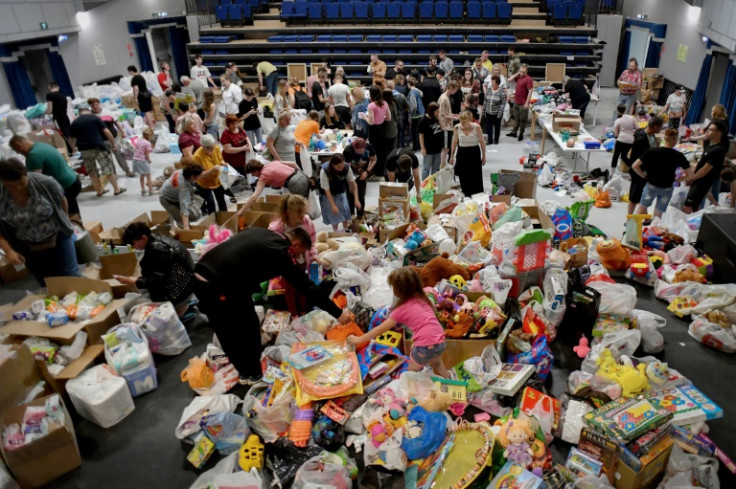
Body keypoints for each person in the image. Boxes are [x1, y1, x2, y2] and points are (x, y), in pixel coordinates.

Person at [194, 226, 352, 383]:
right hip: (221, 285)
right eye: (301, 253)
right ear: (295, 244)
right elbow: (308, 288)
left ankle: (243, 372)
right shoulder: (282, 253)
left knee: (225, 328)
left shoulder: (266, 234)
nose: (299, 258)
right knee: (246, 326)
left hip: (200, 274)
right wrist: (338, 313)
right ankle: (253, 373)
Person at [347, 267, 449, 377]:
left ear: (397, 290)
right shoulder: (423, 297)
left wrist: (359, 339)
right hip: (440, 340)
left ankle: (412, 390)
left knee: (411, 372)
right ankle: (449, 379)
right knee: (437, 363)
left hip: (424, 345)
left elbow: (380, 329)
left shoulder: (401, 309)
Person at [0, 159, 79, 285]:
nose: (18, 188)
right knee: (47, 282)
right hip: (27, 246)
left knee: (71, 277)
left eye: (21, 182)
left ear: (25, 174)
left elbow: (62, 201)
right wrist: (9, 251)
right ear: (3, 182)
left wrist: (64, 221)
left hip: (58, 237)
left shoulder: (45, 183)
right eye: (12, 185)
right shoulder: (2, 194)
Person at [119, 222, 195, 317]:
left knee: (128, 309)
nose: (133, 247)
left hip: (178, 295)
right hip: (186, 287)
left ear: (143, 238)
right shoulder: (157, 239)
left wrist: (134, 280)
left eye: (133, 243)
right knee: (142, 292)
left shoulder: (158, 250)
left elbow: (157, 281)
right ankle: (181, 308)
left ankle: (178, 310)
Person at [9, 135, 81, 219]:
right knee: (73, 212)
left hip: (65, 187)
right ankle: (78, 226)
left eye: (16, 151)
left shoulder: (33, 155)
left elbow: (34, 182)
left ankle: (74, 228)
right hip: (73, 180)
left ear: (19, 146)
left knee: (67, 217)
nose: (18, 153)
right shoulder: (41, 145)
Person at [631, 129, 691, 218]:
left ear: (664, 139)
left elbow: (634, 166)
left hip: (651, 185)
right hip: (667, 187)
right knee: (658, 214)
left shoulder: (653, 151)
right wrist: (677, 179)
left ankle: (632, 230)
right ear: (675, 139)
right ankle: (654, 230)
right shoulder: (679, 155)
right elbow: (690, 175)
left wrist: (643, 175)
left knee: (641, 207)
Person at [70, 106, 126, 197]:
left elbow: (71, 138)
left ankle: (99, 191)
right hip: (98, 147)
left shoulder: (74, 122)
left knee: (91, 171)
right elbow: (107, 132)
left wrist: (73, 149)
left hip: (84, 150)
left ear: (79, 113)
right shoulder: (95, 118)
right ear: (89, 111)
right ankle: (117, 189)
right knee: (107, 168)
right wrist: (113, 143)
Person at [683, 120, 729, 213]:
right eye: (708, 129)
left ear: (719, 133)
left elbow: (705, 169)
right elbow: (702, 163)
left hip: (702, 182)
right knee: (696, 207)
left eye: (711, 130)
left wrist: (692, 178)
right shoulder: (709, 144)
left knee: (687, 207)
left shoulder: (718, 149)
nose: (707, 131)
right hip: (698, 180)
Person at [239, 159, 309, 215]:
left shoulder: (264, 175)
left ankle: (300, 228)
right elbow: (293, 163)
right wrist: (302, 175)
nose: (253, 175)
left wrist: (241, 212)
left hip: (295, 183)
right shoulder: (272, 163)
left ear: (256, 170)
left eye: (252, 173)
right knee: (301, 205)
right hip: (301, 176)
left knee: (296, 210)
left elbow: (254, 197)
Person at [627, 116, 664, 214]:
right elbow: (636, 159)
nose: (661, 130)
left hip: (645, 171)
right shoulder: (640, 139)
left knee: (643, 194)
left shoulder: (649, 134)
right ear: (655, 126)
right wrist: (643, 174)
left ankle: (645, 217)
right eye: (660, 127)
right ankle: (629, 218)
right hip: (639, 172)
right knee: (634, 197)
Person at [89, 97, 135, 177]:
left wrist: (122, 131)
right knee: (108, 159)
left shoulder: (107, 112)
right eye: (93, 105)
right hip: (101, 141)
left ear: (99, 104)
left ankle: (127, 170)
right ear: (90, 106)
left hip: (114, 138)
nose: (95, 107)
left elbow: (116, 122)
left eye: (96, 105)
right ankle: (113, 174)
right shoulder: (90, 116)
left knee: (120, 155)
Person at [268, 194, 318, 266]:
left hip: (304, 261)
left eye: (303, 213)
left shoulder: (307, 222)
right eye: (298, 213)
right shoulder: (276, 229)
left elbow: (312, 242)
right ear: (288, 212)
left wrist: (313, 256)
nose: (302, 217)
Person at [319, 154, 360, 231]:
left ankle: (345, 229)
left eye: (342, 166)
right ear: (333, 165)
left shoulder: (346, 167)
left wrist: (356, 199)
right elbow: (327, 190)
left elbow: (353, 183)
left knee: (345, 212)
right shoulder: (324, 171)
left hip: (340, 191)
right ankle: (336, 231)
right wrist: (333, 205)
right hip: (327, 194)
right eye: (338, 167)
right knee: (334, 215)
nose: (341, 168)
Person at [450, 110, 486, 197]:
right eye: (461, 122)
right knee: (463, 174)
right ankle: (466, 193)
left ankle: (477, 194)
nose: (462, 124)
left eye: (464, 122)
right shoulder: (457, 128)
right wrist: (451, 156)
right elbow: (454, 142)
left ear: (469, 120)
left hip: (474, 152)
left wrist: (484, 156)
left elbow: (482, 142)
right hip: (462, 153)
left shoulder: (476, 127)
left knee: (475, 174)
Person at [360, 86, 392, 178]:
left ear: (371, 95)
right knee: (382, 151)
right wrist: (381, 117)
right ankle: (382, 170)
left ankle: (376, 171)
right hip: (382, 128)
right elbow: (389, 118)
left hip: (374, 130)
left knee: (374, 151)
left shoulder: (371, 105)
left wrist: (364, 117)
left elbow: (371, 122)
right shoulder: (385, 103)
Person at [159, 162, 203, 229]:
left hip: (172, 191)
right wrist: (186, 227)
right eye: (199, 176)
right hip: (166, 199)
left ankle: (175, 216)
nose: (200, 177)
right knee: (190, 218)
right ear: (192, 176)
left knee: (197, 213)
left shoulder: (182, 171)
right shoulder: (183, 188)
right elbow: (184, 208)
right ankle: (180, 225)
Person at [192, 134, 227, 215]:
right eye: (208, 148)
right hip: (204, 183)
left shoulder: (216, 148)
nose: (211, 150)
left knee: (221, 200)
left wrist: (223, 164)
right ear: (203, 146)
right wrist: (212, 170)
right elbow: (199, 175)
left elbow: (220, 159)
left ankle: (225, 217)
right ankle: (212, 222)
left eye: (212, 147)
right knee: (210, 203)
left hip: (217, 180)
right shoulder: (197, 156)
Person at [342, 138, 376, 217]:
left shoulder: (369, 147)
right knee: (350, 197)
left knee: (361, 196)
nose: (360, 152)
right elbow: (347, 168)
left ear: (365, 147)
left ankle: (360, 216)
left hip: (362, 175)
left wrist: (367, 172)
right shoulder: (348, 151)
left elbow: (374, 160)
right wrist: (352, 181)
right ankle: (351, 216)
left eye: (361, 150)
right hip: (349, 175)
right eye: (357, 151)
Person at [507, 64, 534, 141]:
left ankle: (521, 133)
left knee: (522, 120)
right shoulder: (519, 77)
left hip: (523, 103)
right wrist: (517, 73)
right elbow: (509, 79)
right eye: (521, 72)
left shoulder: (528, 79)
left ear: (527, 71)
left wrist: (527, 102)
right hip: (517, 102)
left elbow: (530, 91)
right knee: (516, 118)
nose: (522, 73)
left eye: (523, 72)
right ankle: (514, 132)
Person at [45, 82, 73, 156]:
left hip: (58, 118)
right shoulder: (63, 96)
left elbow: (49, 110)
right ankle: (74, 149)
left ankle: (71, 151)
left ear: (49, 87)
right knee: (69, 134)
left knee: (64, 135)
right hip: (66, 117)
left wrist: (45, 113)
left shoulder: (50, 95)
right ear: (58, 87)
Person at [418, 102, 444, 179]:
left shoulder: (436, 118)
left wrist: (439, 119)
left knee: (436, 169)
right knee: (426, 168)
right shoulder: (423, 121)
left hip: (437, 148)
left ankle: (434, 184)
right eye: (437, 111)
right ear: (431, 111)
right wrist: (423, 148)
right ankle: (424, 185)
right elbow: (421, 135)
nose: (438, 113)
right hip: (428, 149)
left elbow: (442, 129)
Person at [128, 65, 155, 130]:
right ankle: (148, 126)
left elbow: (136, 88)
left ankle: (151, 127)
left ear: (131, 71)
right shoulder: (141, 76)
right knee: (149, 111)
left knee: (146, 112)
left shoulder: (134, 78)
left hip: (142, 96)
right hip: (147, 95)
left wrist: (136, 98)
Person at [438, 81, 458, 165]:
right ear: (451, 88)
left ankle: (443, 164)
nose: (456, 91)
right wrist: (452, 117)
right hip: (445, 126)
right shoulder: (443, 98)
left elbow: (445, 112)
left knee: (448, 147)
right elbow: (441, 114)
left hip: (448, 125)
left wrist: (452, 115)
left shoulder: (446, 97)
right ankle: (442, 165)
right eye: (455, 89)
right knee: (445, 148)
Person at [611, 104, 637, 169]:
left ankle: (612, 173)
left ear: (617, 110)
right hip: (630, 141)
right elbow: (638, 128)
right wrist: (632, 133)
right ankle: (633, 168)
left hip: (621, 140)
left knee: (616, 156)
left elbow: (616, 134)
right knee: (624, 156)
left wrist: (616, 137)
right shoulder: (631, 118)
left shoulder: (618, 120)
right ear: (625, 110)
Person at [483, 75, 507, 145]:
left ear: (497, 83)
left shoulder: (502, 92)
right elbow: (485, 101)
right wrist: (483, 110)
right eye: (491, 82)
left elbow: (503, 104)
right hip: (488, 113)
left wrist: (499, 113)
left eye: (493, 82)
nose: (492, 83)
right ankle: (490, 140)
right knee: (488, 128)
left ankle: (496, 139)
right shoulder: (489, 90)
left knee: (497, 128)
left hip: (497, 114)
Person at [133, 128, 155, 196]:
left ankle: (143, 189)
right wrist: (149, 160)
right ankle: (151, 190)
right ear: (149, 135)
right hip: (143, 160)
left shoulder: (139, 141)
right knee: (148, 175)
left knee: (142, 175)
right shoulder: (147, 143)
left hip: (136, 159)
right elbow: (146, 154)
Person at [407, 76, 425, 151]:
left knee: (414, 133)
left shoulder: (412, 93)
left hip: (416, 116)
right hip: (422, 114)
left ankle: (415, 147)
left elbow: (413, 106)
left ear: (408, 84)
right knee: (419, 132)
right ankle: (419, 146)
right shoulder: (418, 91)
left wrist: (410, 116)